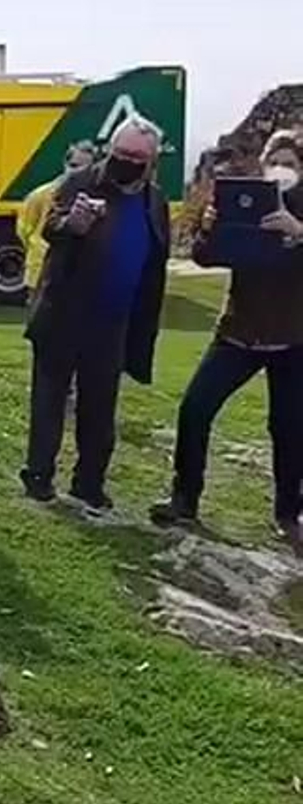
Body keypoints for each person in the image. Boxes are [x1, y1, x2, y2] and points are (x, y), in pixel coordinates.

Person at [150, 130, 303, 551]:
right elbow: (205, 256)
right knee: (195, 408)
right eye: (275, 161)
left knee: (290, 427)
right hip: (240, 330)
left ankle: (288, 514)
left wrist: (298, 231)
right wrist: (210, 227)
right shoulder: (245, 201)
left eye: (290, 163)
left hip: (294, 339)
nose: (282, 169)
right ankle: (184, 499)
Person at [21, 117, 170, 515]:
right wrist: (74, 224)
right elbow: (51, 226)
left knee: (100, 408)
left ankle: (89, 484)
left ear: (152, 161)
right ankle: (38, 477)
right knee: (49, 400)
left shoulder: (154, 200)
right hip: (65, 312)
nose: (128, 162)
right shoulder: (80, 182)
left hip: (114, 320)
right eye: (122, 153)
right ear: (110, 150)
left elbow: (157, 257)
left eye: (138, 157)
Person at [18, 141, 99, 296]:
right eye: (74, 165)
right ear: (65, 164)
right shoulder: (39, 195)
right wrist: (38, 248)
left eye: (85, 167)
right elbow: (24, 228)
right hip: (39, 271)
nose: (77, 171)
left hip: (77, 273)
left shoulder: (96, 199)